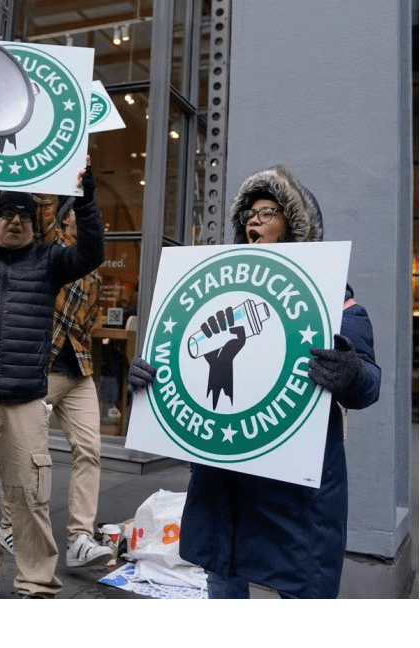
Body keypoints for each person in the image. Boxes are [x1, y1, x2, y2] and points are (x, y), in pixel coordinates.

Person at [128, 165, 381, 598]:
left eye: (268, 211)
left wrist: (352, 373)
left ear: (296, 227)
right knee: (223, 582)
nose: (253, 220)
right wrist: (153, 379)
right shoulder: (220, 303)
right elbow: (185, 361)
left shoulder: (338, 304)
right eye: (249, 213)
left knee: (301, 595)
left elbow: (368, 382)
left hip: (296, 494)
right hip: (224, 486)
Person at [0, 164, 105, 599]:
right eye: (6, 214)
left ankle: (36, 584)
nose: (15, 220)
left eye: (24, 216)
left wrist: (86, 203)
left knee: (28, 498)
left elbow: (90, 255)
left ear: (35, 227)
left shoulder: (51, 261)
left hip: (26, 402)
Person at [0, 193, 112, 568]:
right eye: (78, 214)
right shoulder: (50, 249)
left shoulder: (92, 266)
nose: (90, 220)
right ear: (63, 221)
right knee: (27, 452)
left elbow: (90, 322)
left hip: (78, 372)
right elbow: (44, 208)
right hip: (43, 369)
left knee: (90, 449)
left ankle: (80, 538)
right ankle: (9, 524)